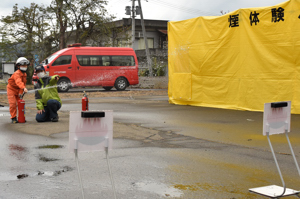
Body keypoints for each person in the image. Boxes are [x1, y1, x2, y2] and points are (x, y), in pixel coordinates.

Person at [7, 57, 29, 123]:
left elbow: (23, 83)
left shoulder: (24, 74)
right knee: (13, 104)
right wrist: (24, 88)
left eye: (25, 65)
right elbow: (18, 82)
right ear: (18, 66)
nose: (24, 67)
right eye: (23, 65)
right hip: (11, 89)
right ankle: (13, 117)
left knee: (20, 104)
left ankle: (21, 117)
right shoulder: (17, 73)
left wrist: (21, 91)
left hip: (18, 89)